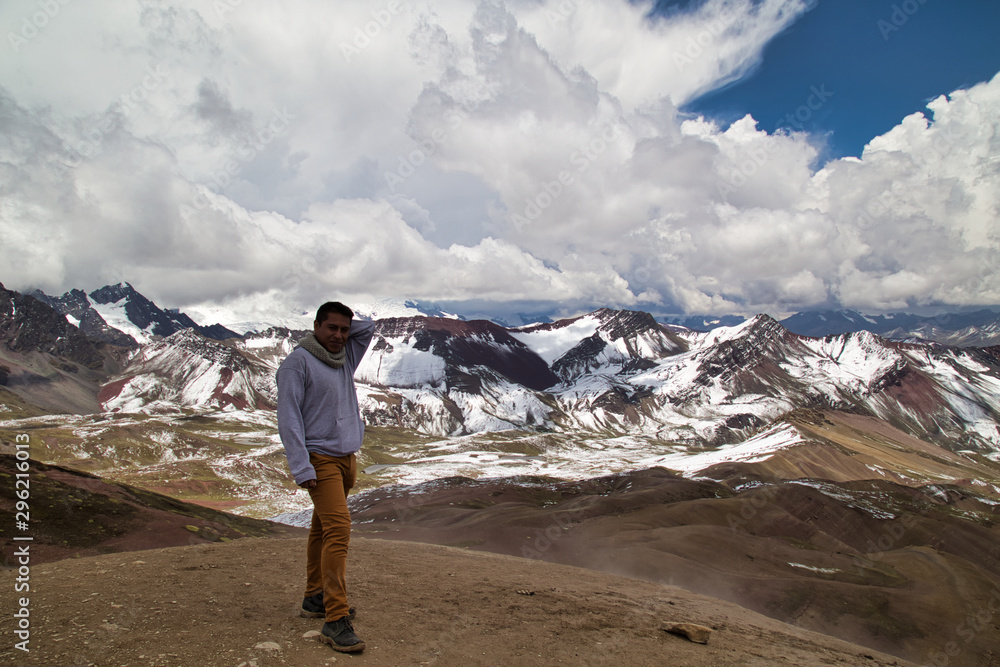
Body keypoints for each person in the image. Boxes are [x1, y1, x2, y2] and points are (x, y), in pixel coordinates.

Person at [276, 301, 376, 653]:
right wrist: (301, 466)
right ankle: (334, 619)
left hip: (346, 458)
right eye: (331, 328)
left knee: (321, 527)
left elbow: (370, 328)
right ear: (315, 326)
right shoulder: (297, 364)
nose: (339, 335)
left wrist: (346, 323)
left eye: (344, 330)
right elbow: (288, 420)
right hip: (320, 460)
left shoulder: (344, 356)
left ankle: (313, 598)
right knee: (338, 530)